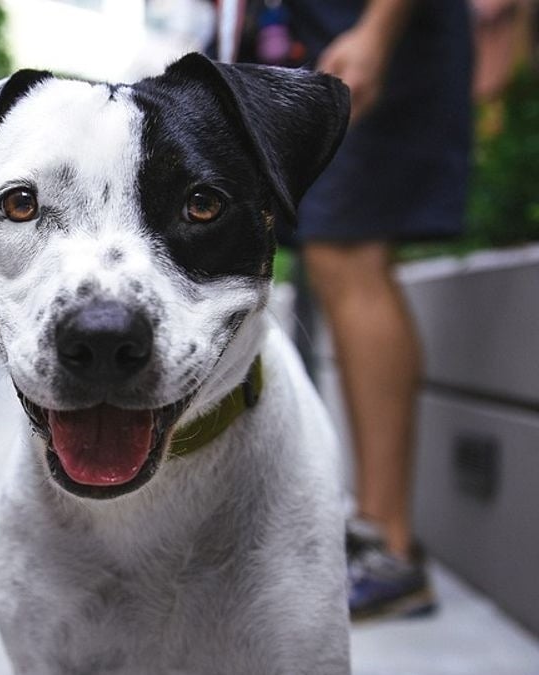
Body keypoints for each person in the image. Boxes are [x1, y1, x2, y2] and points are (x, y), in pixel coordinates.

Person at [280, 0, 474, 621]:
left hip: (367, 39)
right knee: (335, 255)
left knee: (348, 251)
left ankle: (389, 548)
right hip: (334, 38)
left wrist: (376, 31)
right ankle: (373, 536)